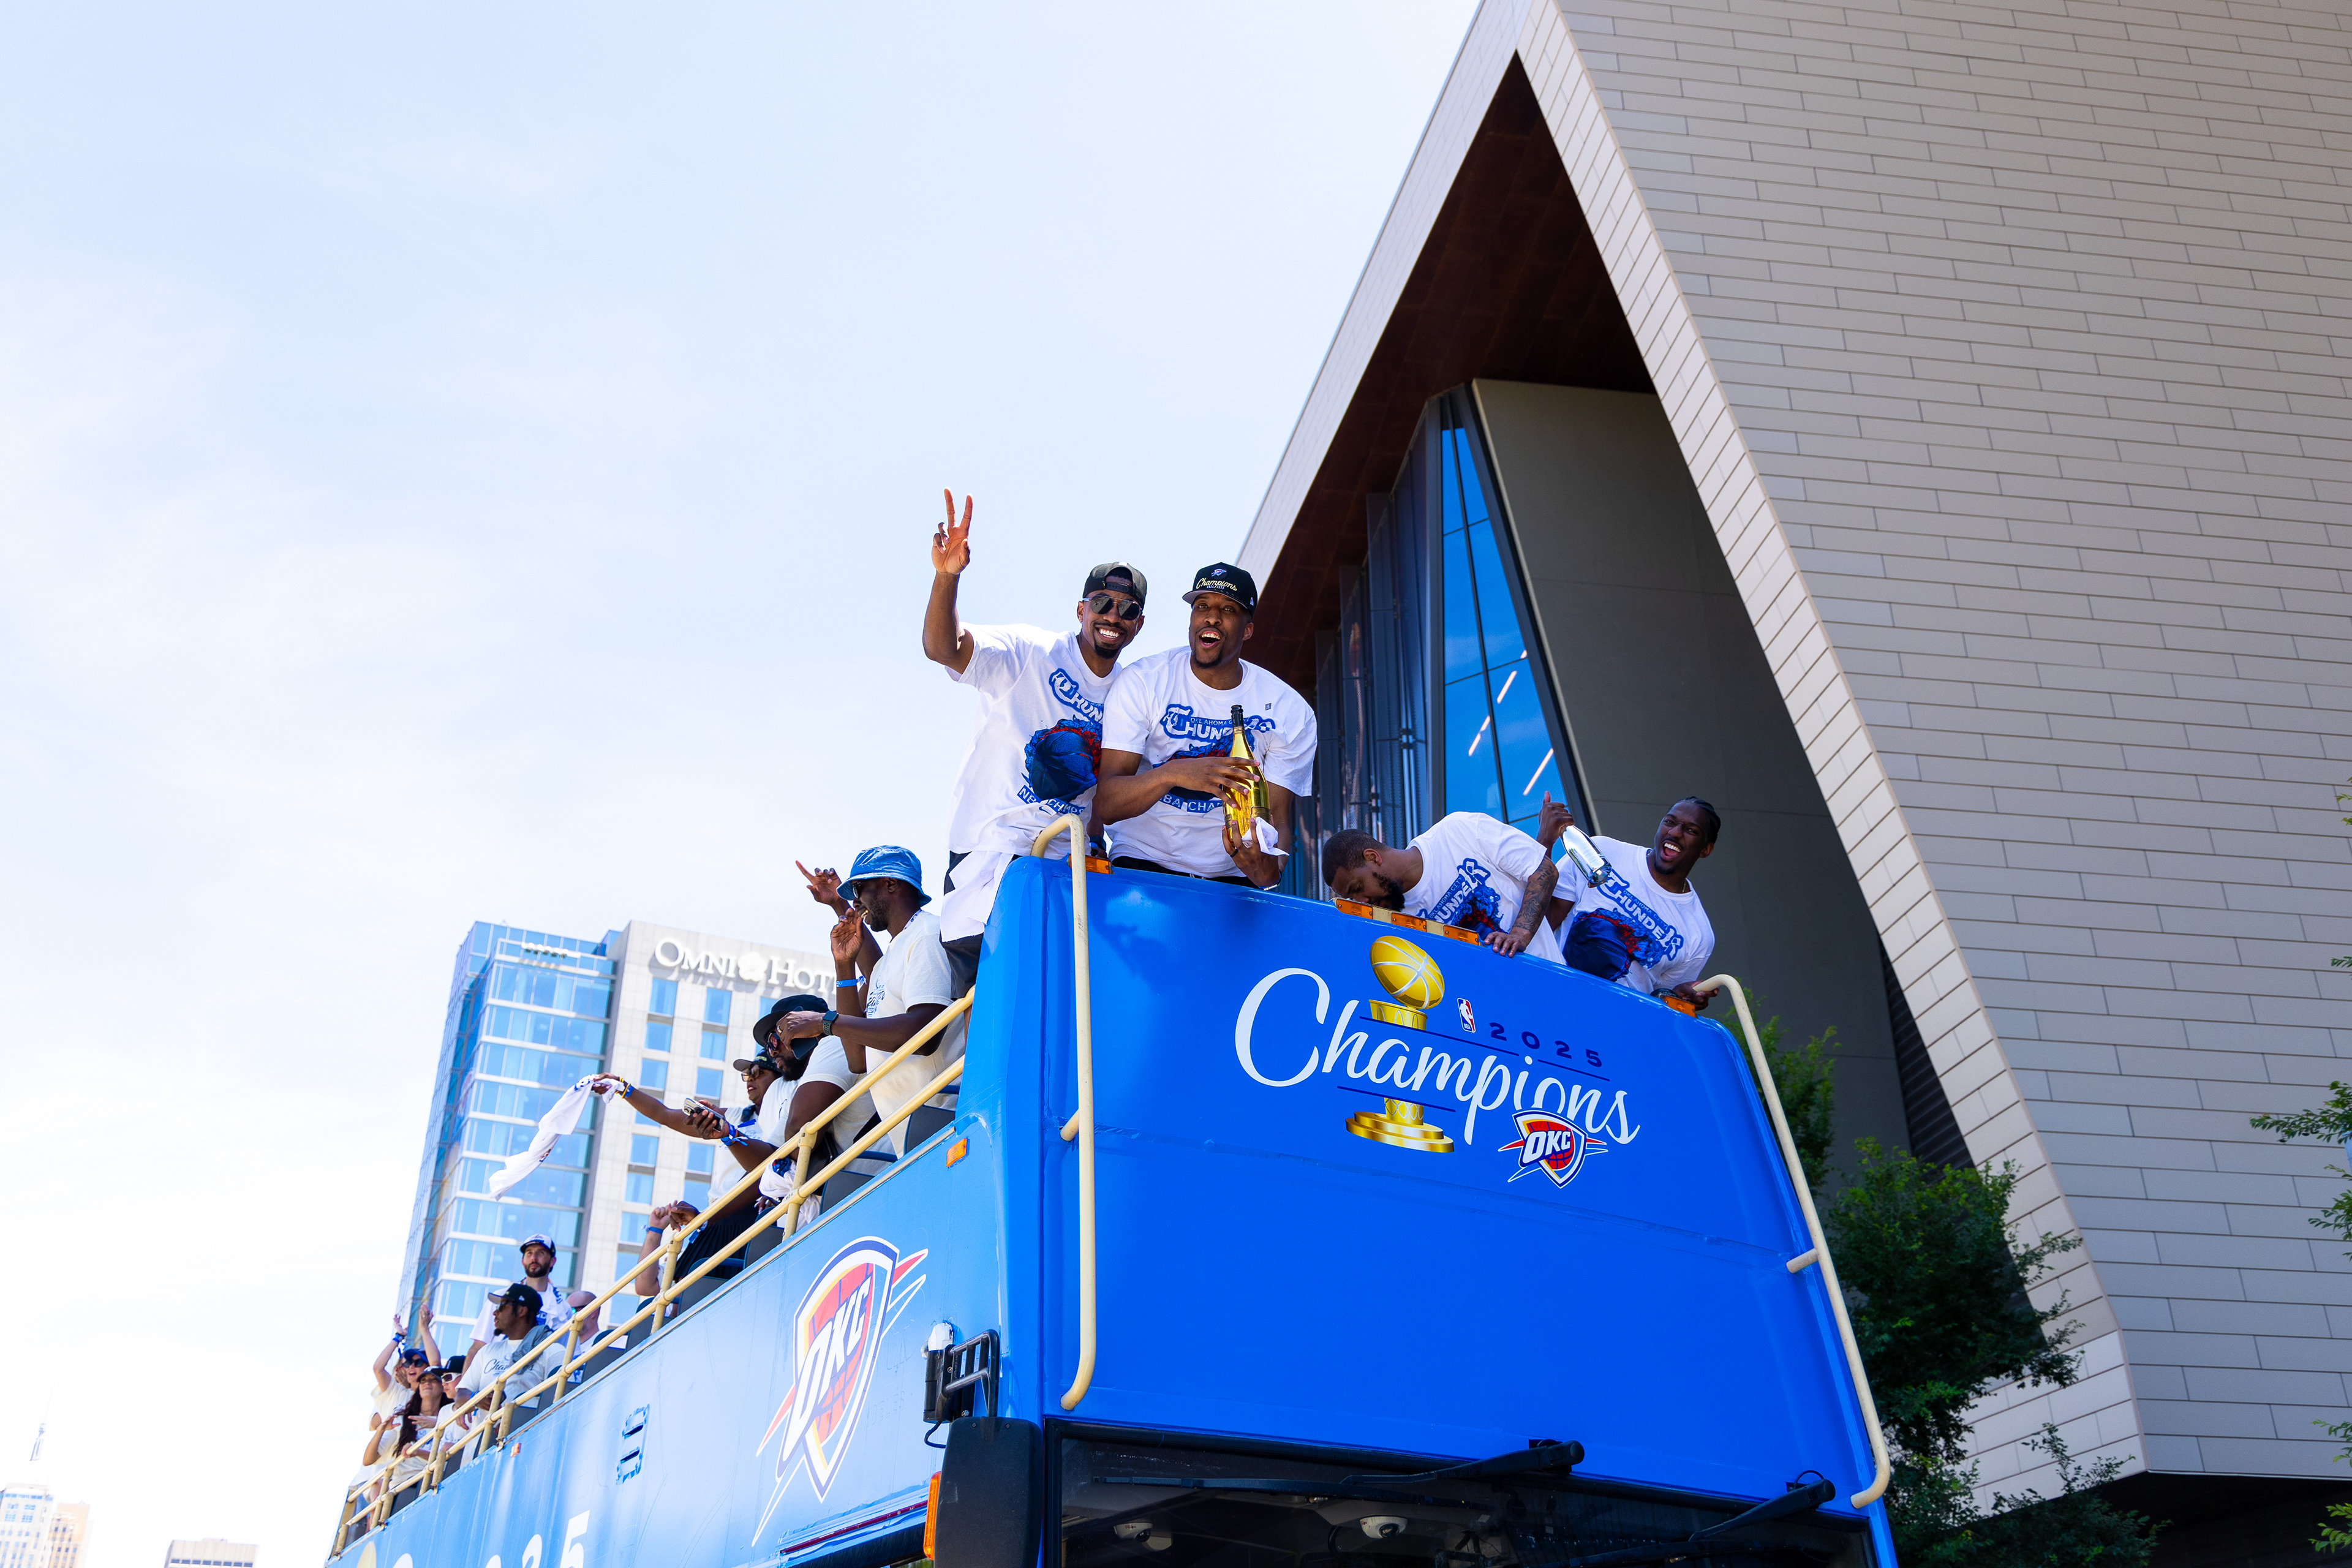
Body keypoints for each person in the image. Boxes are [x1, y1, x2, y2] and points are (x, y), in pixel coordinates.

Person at [922, 491, 1148, 981]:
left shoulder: (1134, 696)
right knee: (992, 995)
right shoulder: (1029, 651)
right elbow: (943, 648)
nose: (1113, 616)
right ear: (1081, 609)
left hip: (1064, 865)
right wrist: (947, 578)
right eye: (1102, 603)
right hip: (993, 849)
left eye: (1128, 610)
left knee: (1064, 993)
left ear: (1139, 625)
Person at [1096, 563, 1317, 888]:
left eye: (1228, 609)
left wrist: (1270, 871)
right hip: (1142, 863)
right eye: (1202, 606)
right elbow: (1107, 804)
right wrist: (1173, 774)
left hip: (1233, 877)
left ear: (1247, 630)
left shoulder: (1290, 711)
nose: (1211, 617)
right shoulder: (1144, 681)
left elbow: (1278, 819)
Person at [774, 846, 961, 1158]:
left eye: (859, 888)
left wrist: (824, 1022)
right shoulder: (891, 957)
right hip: (915, 1129)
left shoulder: (927, 934)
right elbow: (858, 1059)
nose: (855, 901)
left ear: (892, 883)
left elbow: (923, 1036)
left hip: (942, 1118)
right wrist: (844, 965)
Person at [1538, 796, 1721, 1008]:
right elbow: (1543, 922)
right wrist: (1545, 841)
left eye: (1691, 830)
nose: (1675, 833)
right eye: (1670, 822)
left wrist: (1680, 996)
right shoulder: (1602, 851)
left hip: (1615, 1020)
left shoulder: (1699, 934)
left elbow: (1660, 1004)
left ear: (1706, 850)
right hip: (1551, 995)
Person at [1320, 813, 1564, 962]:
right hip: (1495, 1024)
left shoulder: (1458, 832)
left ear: (1373, 857)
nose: (1361, 902)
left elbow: (1543, 870)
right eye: (1352, 899)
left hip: (1554, 987)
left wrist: (1519, 934)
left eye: (1357, 888)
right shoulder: (1394, 924)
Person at [465, 1234, 594, 1363]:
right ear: (523, 1262)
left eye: (541, 1253)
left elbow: (570, 1356)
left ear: (552, 1261)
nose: (534, 1258)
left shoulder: (563, 1309)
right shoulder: (500, 1297)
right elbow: (477, 1347)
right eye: (529, 1253)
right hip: (496, 1369)